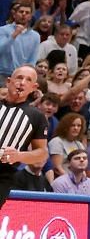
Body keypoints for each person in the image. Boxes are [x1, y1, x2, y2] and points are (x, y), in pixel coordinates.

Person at [0, 64, 50, 204]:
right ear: (8, 82)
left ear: (34, 88)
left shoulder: (37, 117)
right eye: (19, 78)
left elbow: (42, 153)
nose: (22, 83)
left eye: (28, 80)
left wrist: (19, 156)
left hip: (3, 174)